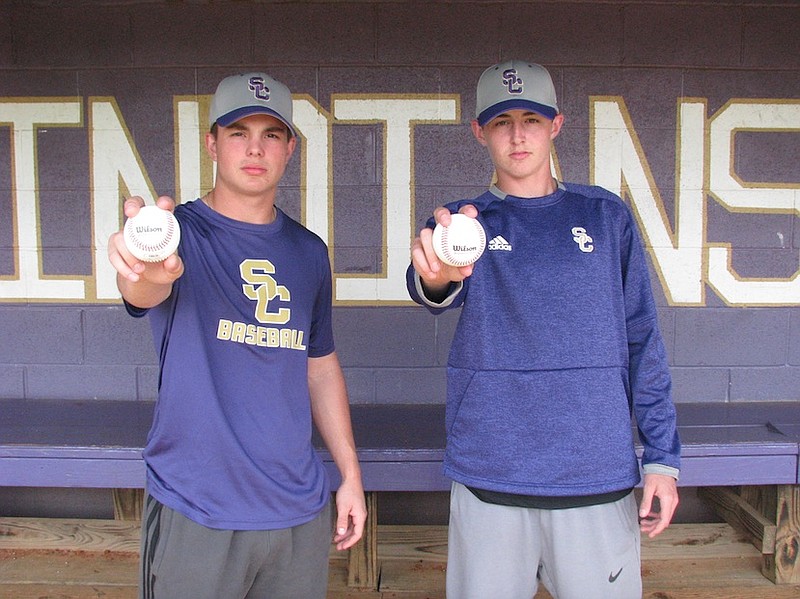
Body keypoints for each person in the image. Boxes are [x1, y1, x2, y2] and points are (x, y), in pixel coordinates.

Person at [406, 60, 681, 598]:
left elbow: (643, 339)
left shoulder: (605, 216)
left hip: (594, 473)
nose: (516, 135)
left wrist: (663, 458)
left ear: (556, 124)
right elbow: (433, 288)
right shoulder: (462, 226)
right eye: (501, 121)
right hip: (493, 471)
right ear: (479, 131)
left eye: (530, 118)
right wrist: (436, 279)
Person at [108, 72, 366, 599]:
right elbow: (144, 289)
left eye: (270, 133)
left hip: (295, 508)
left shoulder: (308, 251)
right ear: (212, 143)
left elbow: (319, 366)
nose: (254, 147)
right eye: (237, 132)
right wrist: (146, 270)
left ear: (290, 147)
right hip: (199, 506)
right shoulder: (175, 234)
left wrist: (351, 474)